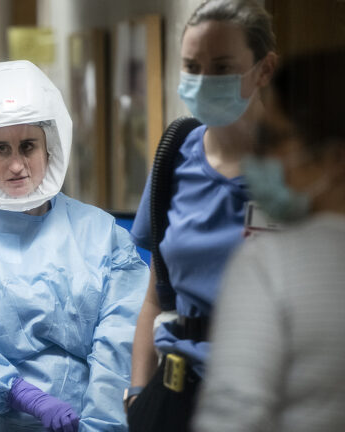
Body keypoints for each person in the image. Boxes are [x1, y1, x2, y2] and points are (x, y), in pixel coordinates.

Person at [0, 60, 149, 432]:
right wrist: (22, 394)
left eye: (27, 146)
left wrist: (99, 427)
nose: (16, 165)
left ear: (51, 147)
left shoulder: (103, 236)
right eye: (2, 149)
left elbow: (121, 346)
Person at [126, 0, 277, 430]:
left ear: (264, 69)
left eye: (222, 67)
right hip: (175, 392)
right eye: (192, 67)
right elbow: (156, 296)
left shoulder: (304, 171)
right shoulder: (175, 156)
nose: (203, 80)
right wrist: (137, 393)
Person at [193, 49, 345, 432]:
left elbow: (233, 417)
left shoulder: (269, 265)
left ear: (335, 158)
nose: (261, 158)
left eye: (275, 139)